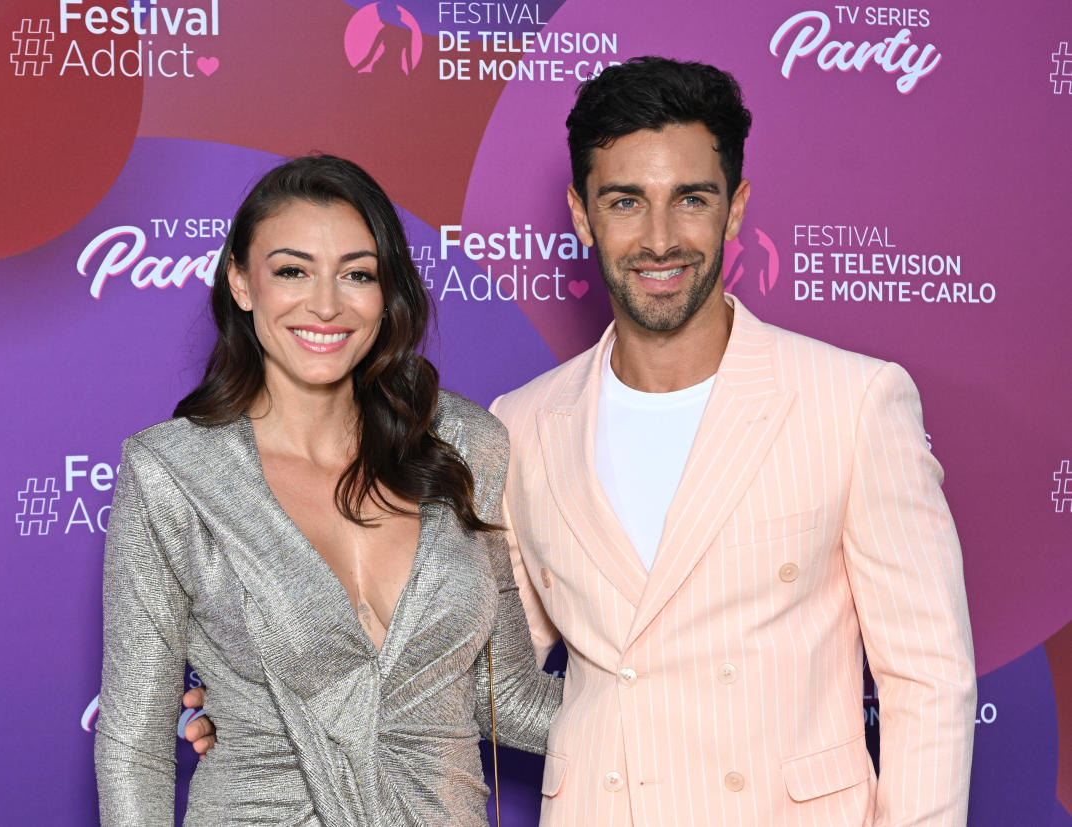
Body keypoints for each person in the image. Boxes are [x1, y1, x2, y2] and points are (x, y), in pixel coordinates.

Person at [185, 58, 977, 826]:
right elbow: (470, 669)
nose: (660, 239)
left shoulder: (853, 401)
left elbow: (928, 679)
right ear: (581, 213)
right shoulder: (521, 424)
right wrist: (271, 699)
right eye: (626, 202)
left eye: (691, 200)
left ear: (735, 209)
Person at [95, 154, 561, 826]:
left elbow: (507, 695)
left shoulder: (463, 444)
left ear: (386, 291)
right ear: (241, 281)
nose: (325, 304)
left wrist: (683, 715)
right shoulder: (174, 472)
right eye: (292, 270)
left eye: (357, 274)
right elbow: (134, 745)